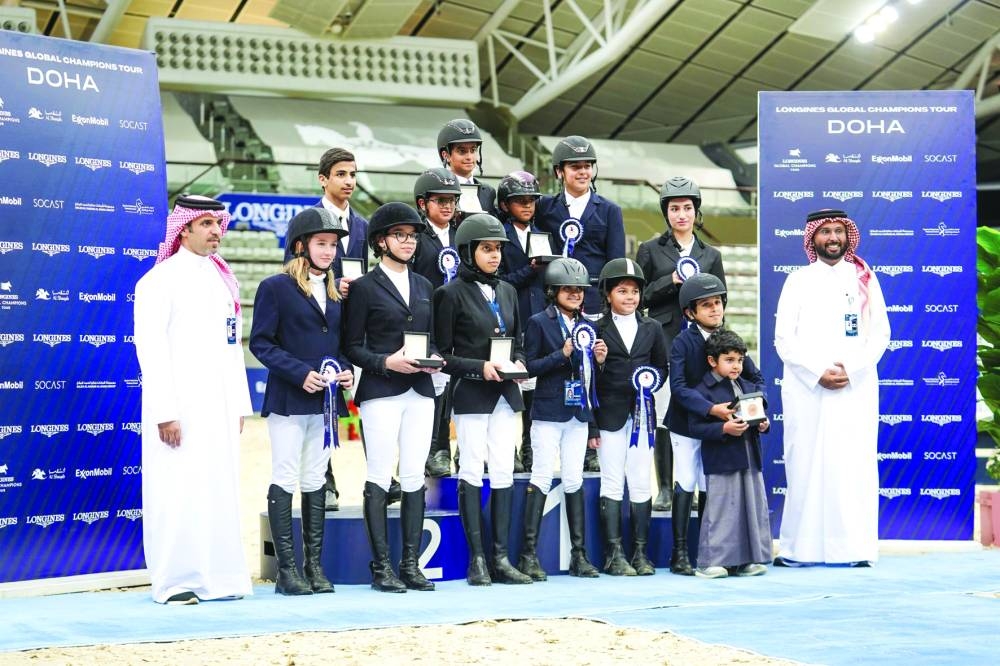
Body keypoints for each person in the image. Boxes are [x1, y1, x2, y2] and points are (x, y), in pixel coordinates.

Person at [133, 195, 253, 605]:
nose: (217, 231)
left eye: (219, 223)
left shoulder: (222, 280)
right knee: (178, 490)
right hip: (180, 409)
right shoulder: (157, 281)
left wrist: (239, 404)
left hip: (218, 408)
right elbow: (150, 350)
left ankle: (220, 579)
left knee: (218, 488)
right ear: (183, 229)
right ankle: (175, 581)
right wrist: (166, 412)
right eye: (206, 224)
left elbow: (232, 343)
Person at [774, 209, 890, 567]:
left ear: (848, 236)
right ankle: (799, 551)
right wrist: (817, 372)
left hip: (854, 389)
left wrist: (850, 369)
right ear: (813, 239)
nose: (833, 238)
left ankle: (854, 550)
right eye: (825, 232)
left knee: (851, 466)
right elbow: (784, 339)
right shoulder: (797, 280)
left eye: (839, 231)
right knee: (805, 464)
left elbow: (880, 334)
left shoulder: (865, 279)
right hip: (807, 389)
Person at [249, 207, 353, 595]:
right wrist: (299, 373)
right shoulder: (275, 287)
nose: (328, 252)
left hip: (325, 401)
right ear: (300, 246)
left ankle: (314, 566)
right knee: (286, 474)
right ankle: (287, 570)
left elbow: (339, 347)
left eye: (332, 246)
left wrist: (344, 371)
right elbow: (261, 342)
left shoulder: (336, 292)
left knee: (315, 479)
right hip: (290, 398)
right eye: (321, 244)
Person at [342, 202, 443, 592]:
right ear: (381, 241)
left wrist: (432, 358)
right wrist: (386, 362)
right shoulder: (365, 288)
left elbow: (429, 339)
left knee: (415, 475)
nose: (408, 242)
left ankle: (411, 564)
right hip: (382, 391)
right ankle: (382, 565)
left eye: (413, 236)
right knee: (380, 474)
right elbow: (352, 346)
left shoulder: (424, 286)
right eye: (400, 235)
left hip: (420, 390)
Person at [433, 213, 532, 586]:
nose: (494, 256)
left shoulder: (507, 291)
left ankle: (501, 557)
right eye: (487, 249)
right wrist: (479, 367)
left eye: (497, 249)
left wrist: (519, 363)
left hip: (506, 393)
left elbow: (518, 341)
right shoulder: (450, 294)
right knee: (473, 469)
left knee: (504, 470)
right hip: (474, 393)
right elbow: (443, 353)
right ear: (468, 251)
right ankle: (477, 559)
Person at [636, 177, 726, 513]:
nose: (681, 214)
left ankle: (702, 487)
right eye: (674, 208)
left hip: (703, 347)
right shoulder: (650, 250)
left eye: (687, 208)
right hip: (664, 342)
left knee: (701, 412)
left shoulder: (711, 254)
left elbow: (721, 300)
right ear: (666, 213)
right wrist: (669, 281)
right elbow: (638, 296)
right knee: (663, 416)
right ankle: (664, 487)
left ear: (696, 211)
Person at [536, 135, 625, 474]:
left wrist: (602, 305)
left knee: (591, 371)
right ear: (560, 171)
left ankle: (591, 436)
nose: (582, 172)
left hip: (592, 304)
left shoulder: (609, 211)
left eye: (587, 166)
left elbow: (615, 263)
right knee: (553, 367)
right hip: (554, 305)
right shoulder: (545, 208)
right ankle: (537, 441)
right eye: (575, 167)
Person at [666, 273, 763, 575]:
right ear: (690, 312)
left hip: (720, 427)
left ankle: (714, 553)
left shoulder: (728, 340)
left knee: (714, 485)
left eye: (718, 303)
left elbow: (755, 378)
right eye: (706, 305)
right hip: (687, 424)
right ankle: (680, 551)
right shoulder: (682, 342)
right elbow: (679, 387)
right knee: (686, 481)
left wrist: (754, 409)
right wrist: (711, 409)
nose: (714, 309)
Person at [518, 257, 601, 581]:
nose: (575, 294)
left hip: (578, 413)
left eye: (579, 290)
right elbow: (531, 367)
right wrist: (562, 354)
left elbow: (592, 379)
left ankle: (579, 556)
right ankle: (529, 555)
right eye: (568, 289)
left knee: (573, 479)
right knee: (540, 475)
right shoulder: (539, 322)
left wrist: (600, 360)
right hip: (548, 410)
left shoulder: (589, 327)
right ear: (554, 291)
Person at [591, 258, 668, 576]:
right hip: (609, 413)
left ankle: (639, 551)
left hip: (641, 415)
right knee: (612, 480)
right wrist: (599, 362)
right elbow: (587, 380)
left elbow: (661, 368)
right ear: (608, 294)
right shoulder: (596, 329)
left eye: (634, 291)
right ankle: (614, 554)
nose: (629, 297)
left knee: (639, 480)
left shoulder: (653, 328)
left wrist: (648, 387)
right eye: (622, 291)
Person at [687, 328, 771, 579]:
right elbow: (696, 427)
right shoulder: (704, 391)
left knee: (750, 507)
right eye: (730, 360)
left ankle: (746, 560)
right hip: (721, 459)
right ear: (713, 361)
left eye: (740, 360)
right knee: (722, 510)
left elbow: (759, 418)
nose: (736, 366)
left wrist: (765, 425)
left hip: (749, 458)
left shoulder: (748, 386)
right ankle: (711, 561)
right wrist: (723, 427)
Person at [314, 147, 370, 511]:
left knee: (368, 400)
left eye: (352, 175)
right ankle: (325, 479)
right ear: (323, 178)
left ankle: (381, 477)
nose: (349, 181)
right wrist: (333, 284)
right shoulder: (308, 219)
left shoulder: (364, 225)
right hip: (321, 323)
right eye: (341, 175)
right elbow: (294, 271)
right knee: (325, 400)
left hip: (359, 327)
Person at [410, 168, 463, 478]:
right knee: (432, 385)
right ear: (423, 203)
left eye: (452, 200)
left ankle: (443, 446)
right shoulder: (416, 237)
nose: (447, 206)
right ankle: (432, 448)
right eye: (441, 200)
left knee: (452, 386)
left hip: (458, 320)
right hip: (427, 320)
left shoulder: (460, 235)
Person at [497, 171, 547, 474]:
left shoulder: (544, 234)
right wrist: (529, 270)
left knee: (535, 385)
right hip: (511, 315)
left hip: (540, 317)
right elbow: (500, 280)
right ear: (505, 205)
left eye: (531, 201)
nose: (527, 206)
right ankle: (509, 446)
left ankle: (529, 444)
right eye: (520, 201)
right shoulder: (499, 237)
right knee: (510, 385)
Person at [436, 118, 496, 216]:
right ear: (445, 155)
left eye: (473, 150)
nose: (469, 157)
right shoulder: (437, 189)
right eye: (462, 151)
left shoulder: (488, 192)